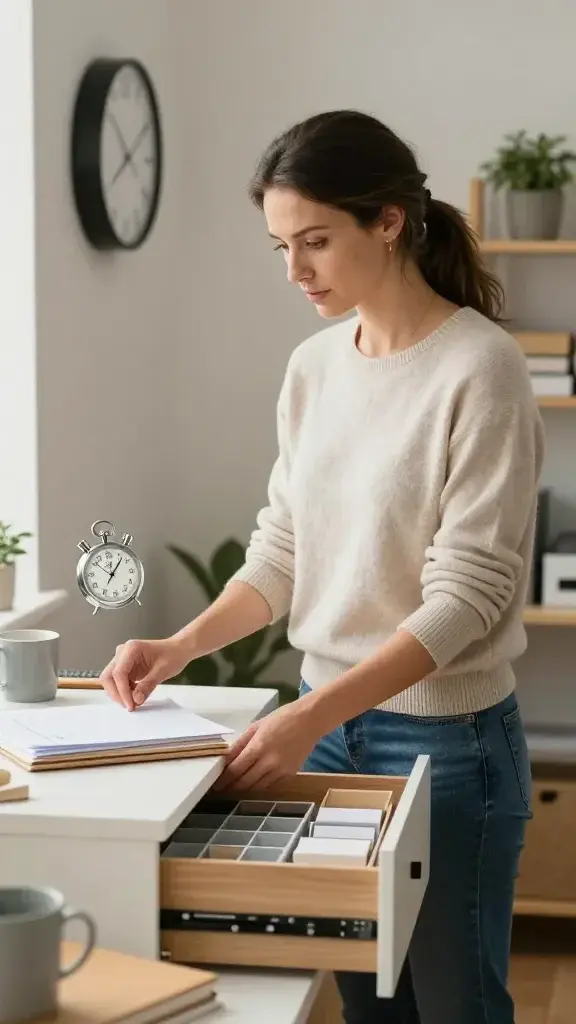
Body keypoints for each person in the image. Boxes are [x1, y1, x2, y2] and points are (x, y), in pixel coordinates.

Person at [100, 110, 545, 1023]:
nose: (296, 271)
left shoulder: (482, 368)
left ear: (388, 222)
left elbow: (465, 600)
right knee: (369, 1001)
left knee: (455, 1006)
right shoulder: (313, 367)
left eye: (315, 242)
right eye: (280, 247)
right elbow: (283, 548)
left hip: (445, 745)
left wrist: (307, 714)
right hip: (335, 733)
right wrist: (181, 643)